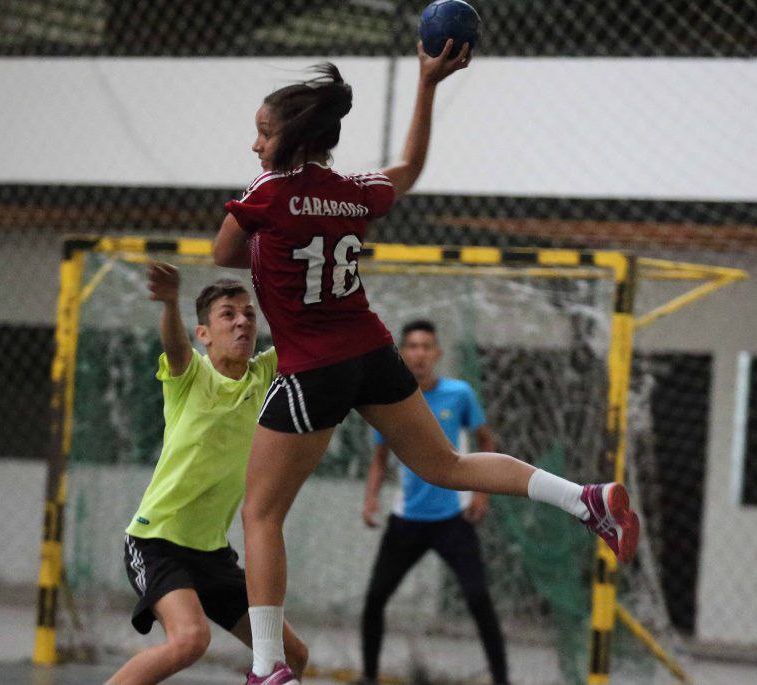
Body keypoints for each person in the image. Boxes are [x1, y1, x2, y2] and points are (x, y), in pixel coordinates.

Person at [212, 41, 639, 685]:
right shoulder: (354, 192)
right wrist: (427, 82)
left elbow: (223, 253)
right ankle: (585, 499)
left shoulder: (269, 191)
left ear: (290, 139)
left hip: (312, 368)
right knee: (448, 465)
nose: (255, 145)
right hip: (371, 353)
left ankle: (268, 666)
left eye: (263, 134)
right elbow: (409, 166)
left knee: (261, 514)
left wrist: (270, 204)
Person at [107, 264, 308, 685]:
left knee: (293, 655)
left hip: (212, 553)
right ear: (204, 333)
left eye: (248, 315)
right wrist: (169, 302)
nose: (242, 322)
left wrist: (313, 272)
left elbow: (306, 334)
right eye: (228, 315)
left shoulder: (263, 374)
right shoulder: (192, 376)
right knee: (190, 639)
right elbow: (175, 347)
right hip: (156, 542)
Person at [360, 320, 509, 685]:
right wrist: (371, 498)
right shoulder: (391, 400)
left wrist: (481, 493)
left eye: (426, 346)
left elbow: (486, 440)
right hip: (407, 521)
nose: (420, 354)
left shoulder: (460, 394)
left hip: (452, 520)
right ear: (401, 353)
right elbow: (380, 457)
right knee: (375, 598)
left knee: (478, 598)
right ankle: (369, 676)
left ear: (437, 353)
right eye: (412, 346)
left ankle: (502, 679)